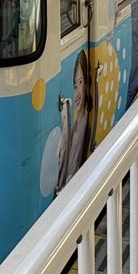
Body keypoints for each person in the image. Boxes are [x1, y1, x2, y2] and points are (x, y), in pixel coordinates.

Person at [56, 49, 94, 192]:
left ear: (87, 84)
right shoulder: (73, 128)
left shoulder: (87, 127)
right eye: (75, 85)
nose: (77, 93)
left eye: (81, 82)